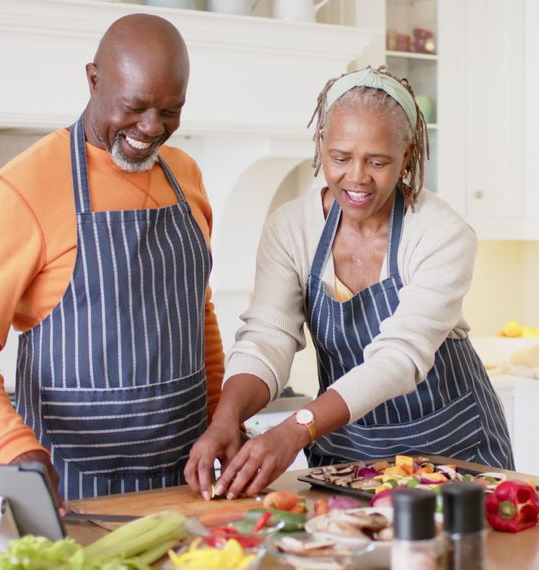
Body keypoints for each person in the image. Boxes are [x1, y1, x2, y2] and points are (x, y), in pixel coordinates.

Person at [184, 67, 514, 500]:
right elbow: (268, 337)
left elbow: (399, 357)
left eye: (377, 162)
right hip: (348, 457)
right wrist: (226, 417)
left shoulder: (440, 233)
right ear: (321, 145)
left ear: (408, 153)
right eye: (340, 158)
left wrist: (297, 428)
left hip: (452, 452)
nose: (356, 178)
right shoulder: (290, 228)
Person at [0, 14, 224, 502]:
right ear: (93, 80)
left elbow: (198, 310)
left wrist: (221, 416)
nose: (151, 128)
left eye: (170, 111)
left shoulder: (186, 174)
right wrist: (11, 448)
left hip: (188, 478)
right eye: (135, 106)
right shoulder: (20, 189)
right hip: (75, 485)